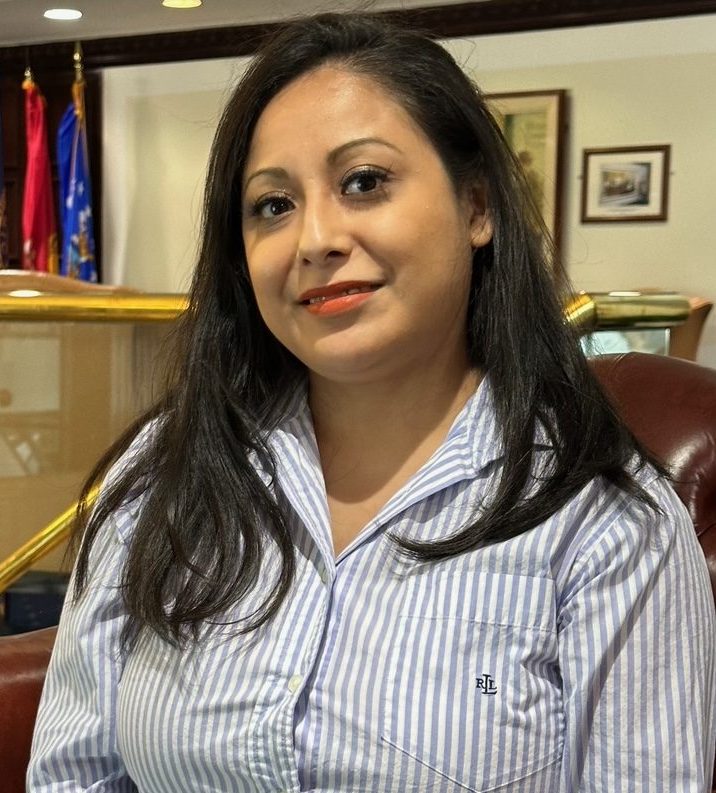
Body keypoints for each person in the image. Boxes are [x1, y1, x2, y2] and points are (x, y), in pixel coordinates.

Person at [29, 13, 715, 793]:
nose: (315, 238)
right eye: (272, 205)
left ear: (478, 208)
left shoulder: (607, 521)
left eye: (365, 182)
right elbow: (74, 776)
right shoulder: (161, 475)